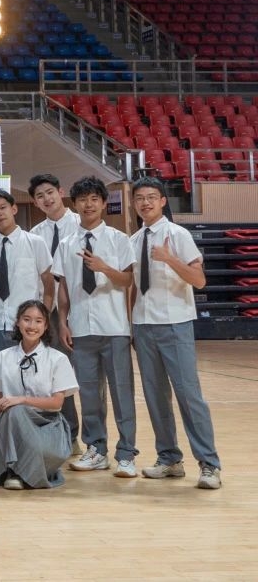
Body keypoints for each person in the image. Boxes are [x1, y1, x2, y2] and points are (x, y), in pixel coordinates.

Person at [128, 177, 221, 489]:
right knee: (155, 397)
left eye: (151, 197)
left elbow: (199, 280)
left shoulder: (178, 235)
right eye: (139, 198)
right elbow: (135, 287)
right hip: (143, 326)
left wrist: (169, 259)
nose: (145, 203)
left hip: (175, 324)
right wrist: (131, 324)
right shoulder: (134, 240)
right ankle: (169, 459)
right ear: (134, 203)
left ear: (163, 201)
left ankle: (209, 464)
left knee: (189, 396)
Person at [55, 176, 138, 478]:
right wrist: (62, 321)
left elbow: (128, 281)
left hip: (114, 327)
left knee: (122, 393)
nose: (88, 205)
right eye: (82, 200)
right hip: (80, 328)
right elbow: (64, 286)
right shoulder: (66, 244)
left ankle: (126, 454)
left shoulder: (119, 239)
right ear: (74, 204)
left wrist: (104, 267)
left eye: (94, 199)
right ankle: (96, 449)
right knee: (89, 394)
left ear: (103, 203)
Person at [0, 300, 78, 490]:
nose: (32, 326)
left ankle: (19, 470)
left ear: (46, 326)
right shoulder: (3, 357)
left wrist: (22, 399)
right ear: (18, 322)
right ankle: (15, 471)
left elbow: (57, 404)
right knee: (15, 412)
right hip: (10, 427)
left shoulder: (58, 359)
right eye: (26, 319)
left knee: (17, 409)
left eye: (38, 321)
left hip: (48, 425)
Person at [28, 172, 83, 452]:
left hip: (80, 308)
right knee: (54, 376)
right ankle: (68, 436)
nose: (46, 199)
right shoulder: (35, 235)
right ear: (35, 203)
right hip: (47, 312)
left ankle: (95, 442)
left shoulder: (81, 224)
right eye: (40, 196)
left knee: (86, 378)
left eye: (50, 192)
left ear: (61, 192)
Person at [0, 189, 54, 367]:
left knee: (30, 376)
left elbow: (49, 285)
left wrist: (44, 316)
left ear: (13, 209)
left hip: (27, 326)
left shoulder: (35, 242)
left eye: (2, 207)